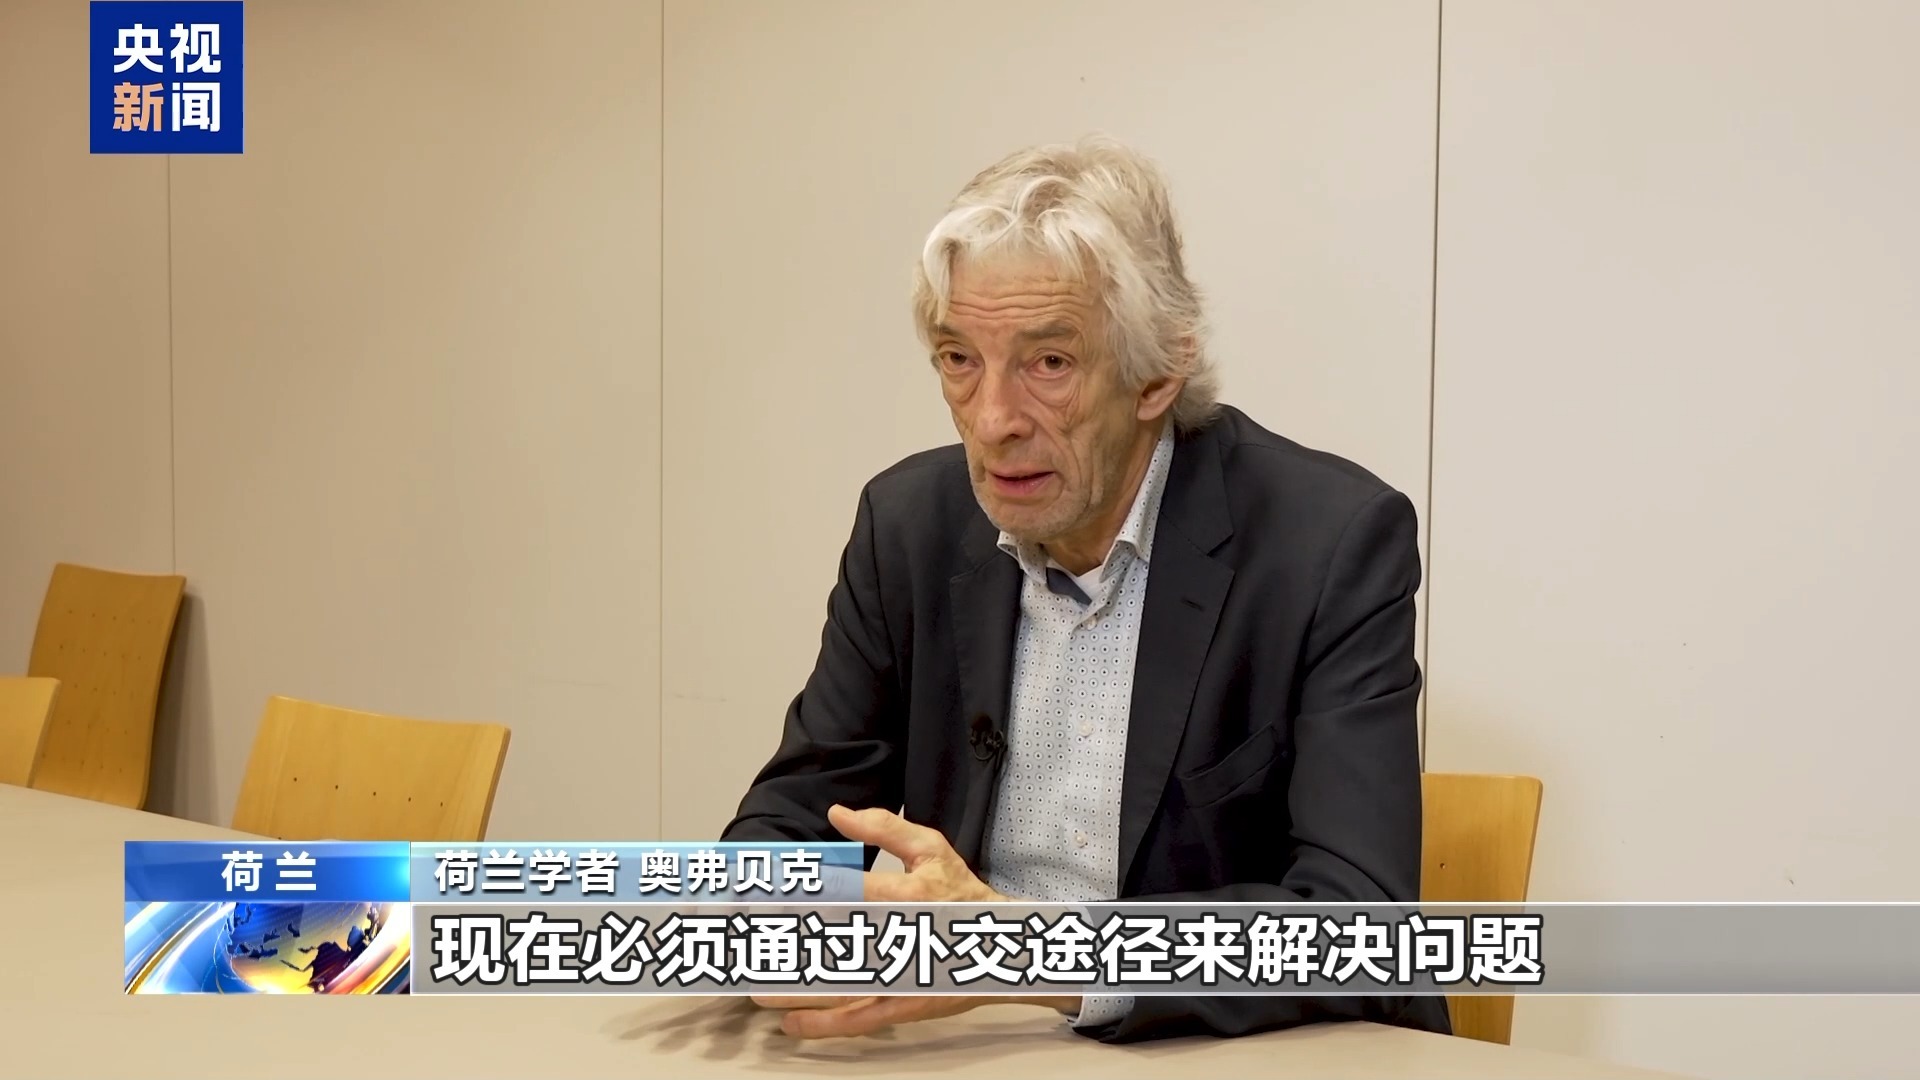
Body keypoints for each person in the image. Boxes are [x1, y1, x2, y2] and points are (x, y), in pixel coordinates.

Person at [722, 135, 1449, 1044]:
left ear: (1159, 372)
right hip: (980, 1051)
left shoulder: (1327, 542)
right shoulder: (908, 526)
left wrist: (1023, 954)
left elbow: (1359, 927)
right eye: (959, 358)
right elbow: (791, 822)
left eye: (1050, 364)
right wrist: (758, 925)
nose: (994, 421)